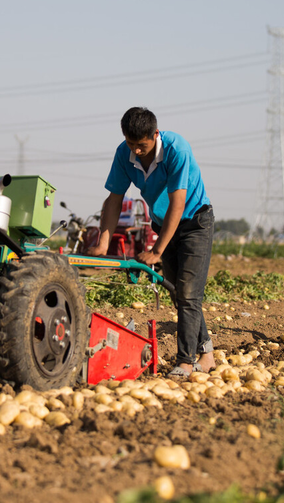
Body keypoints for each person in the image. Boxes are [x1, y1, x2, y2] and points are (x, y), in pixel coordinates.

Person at [87, 107, 215, 377]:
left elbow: (178, 203)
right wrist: (103, 243)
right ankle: (207, 351)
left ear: (155, 134)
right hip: (162, 222)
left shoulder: (176, 149)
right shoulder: (124, 154)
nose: (137, 150)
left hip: (194, 222)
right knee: (177, 292)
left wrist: (157, 250)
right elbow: (114, 198)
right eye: (131, 144)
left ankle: (185, 361)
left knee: (189, 293)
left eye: (142, 145)